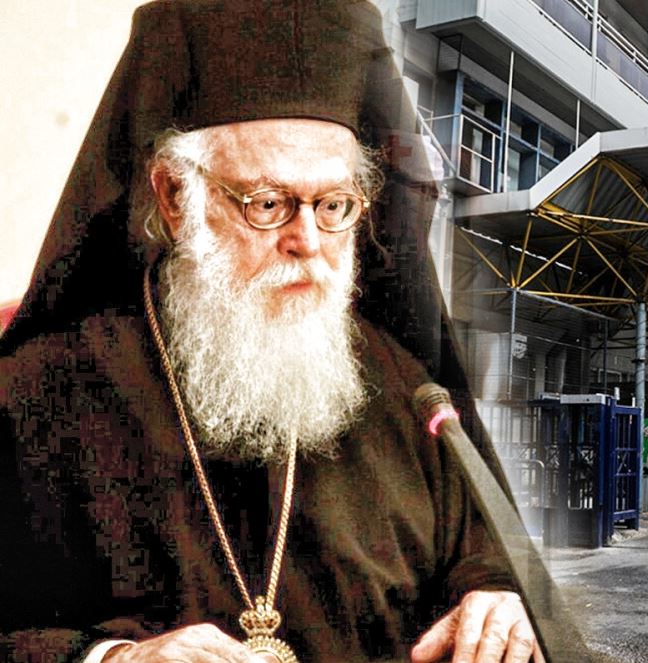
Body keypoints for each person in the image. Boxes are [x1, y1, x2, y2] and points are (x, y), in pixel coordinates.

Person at [0, 2, 586, 661]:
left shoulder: (404, 389)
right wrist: (111, 658)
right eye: (268, 203)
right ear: (174, 196)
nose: (307, 240)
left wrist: (498, 595)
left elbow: (478, 554)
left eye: (334, 205)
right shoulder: (39, 390)